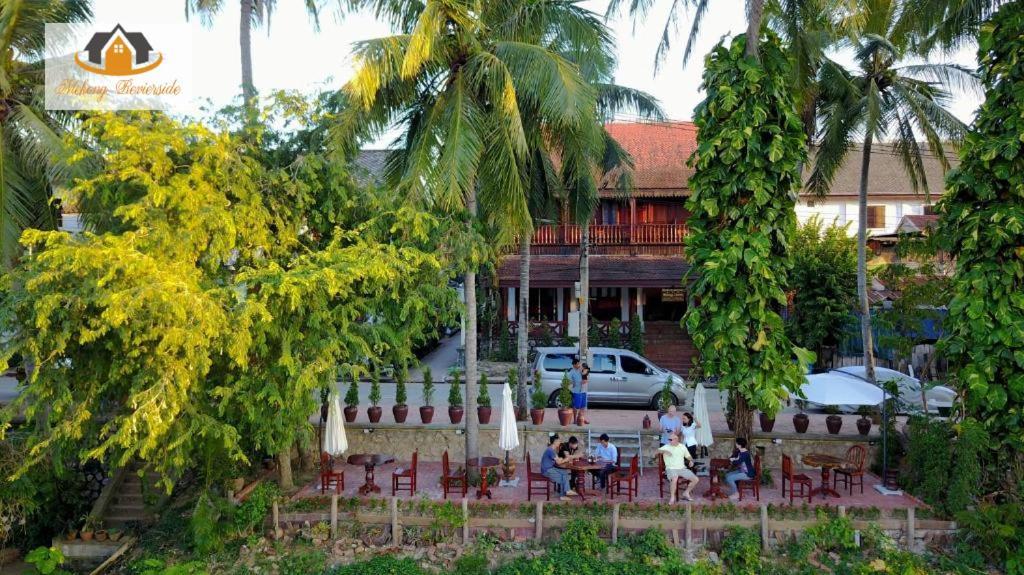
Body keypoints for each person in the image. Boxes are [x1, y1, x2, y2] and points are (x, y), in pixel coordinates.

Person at [657, 431, 699, 503]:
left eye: (671, 439)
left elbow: (688, 456)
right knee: (675, 478)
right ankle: (672, 497)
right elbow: (657, 451)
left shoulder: (682, 446)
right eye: (669, 439)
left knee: (695, 479)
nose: (669, 441)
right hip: (671, 469)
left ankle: (686, 492)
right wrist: (664, 451)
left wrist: (691, 461)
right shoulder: (667, 446)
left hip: (682, 468)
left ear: (676, 439)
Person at [540, 434, 578, 500]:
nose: (560, 442)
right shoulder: (550, 450)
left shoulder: (551, 449)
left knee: (564, 472)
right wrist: (566, 459)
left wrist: (561, 459)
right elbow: (559, 462)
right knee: (562, 478)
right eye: (558, 441)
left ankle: (567, 490)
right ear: (555, 442)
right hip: (547, 470)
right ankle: (563, 495)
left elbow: (557, 459)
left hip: (550, 468)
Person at [568, 358, 586, 425]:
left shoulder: (582, 369)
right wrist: (573, 382)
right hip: (576, 391)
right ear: (574, 365)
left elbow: (586, 377)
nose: (578, 365)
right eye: (577, 364)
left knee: (583, 406)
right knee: (576, 406)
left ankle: (581, 419)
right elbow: (568, 380)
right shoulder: (572, 371)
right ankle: (575, 420)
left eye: (579, 363)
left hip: (583, 390)